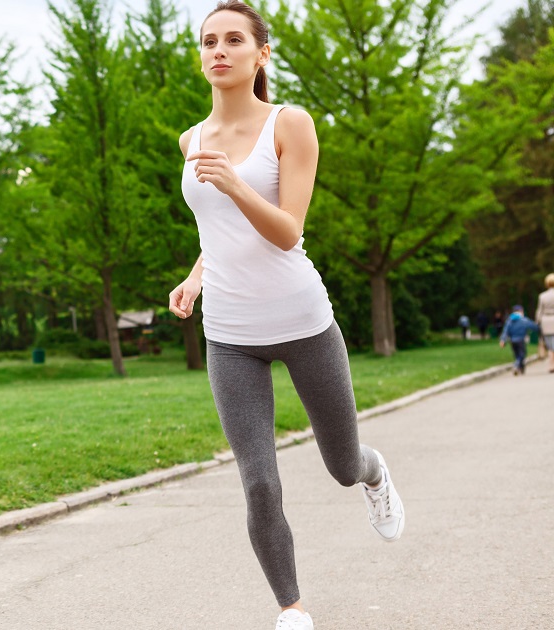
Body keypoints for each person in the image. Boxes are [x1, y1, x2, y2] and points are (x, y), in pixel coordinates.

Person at [167, 3, 403, 628]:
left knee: (340, 466)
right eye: (208, 40)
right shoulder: (190, 140)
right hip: (231, 336)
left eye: (234, 39)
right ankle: (291, 607)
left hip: (304, 324)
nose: (219, 50)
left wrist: (237, 184)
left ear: (260, 53)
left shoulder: (289, 124)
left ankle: (373, 471)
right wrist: (194, 278)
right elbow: (215, 231)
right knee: (259, 481)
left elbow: (286, 232)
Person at [501, 305, 540, 375]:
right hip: (521, 340)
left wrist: (503, 340)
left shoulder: (509, 320)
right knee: (522, 355)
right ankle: (516, 366)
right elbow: (534, 327)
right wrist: (539, 328)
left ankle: (521, 368)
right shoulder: (523, 320)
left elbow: (505, 331)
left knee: (517, 355)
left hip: (512, 340)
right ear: (521, 311)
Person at [537, 274, 554, 373]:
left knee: (550, 345)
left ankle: (551, 364)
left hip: (546, 321)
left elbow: (540, 311)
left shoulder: (542, 296)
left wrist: (538, 321)